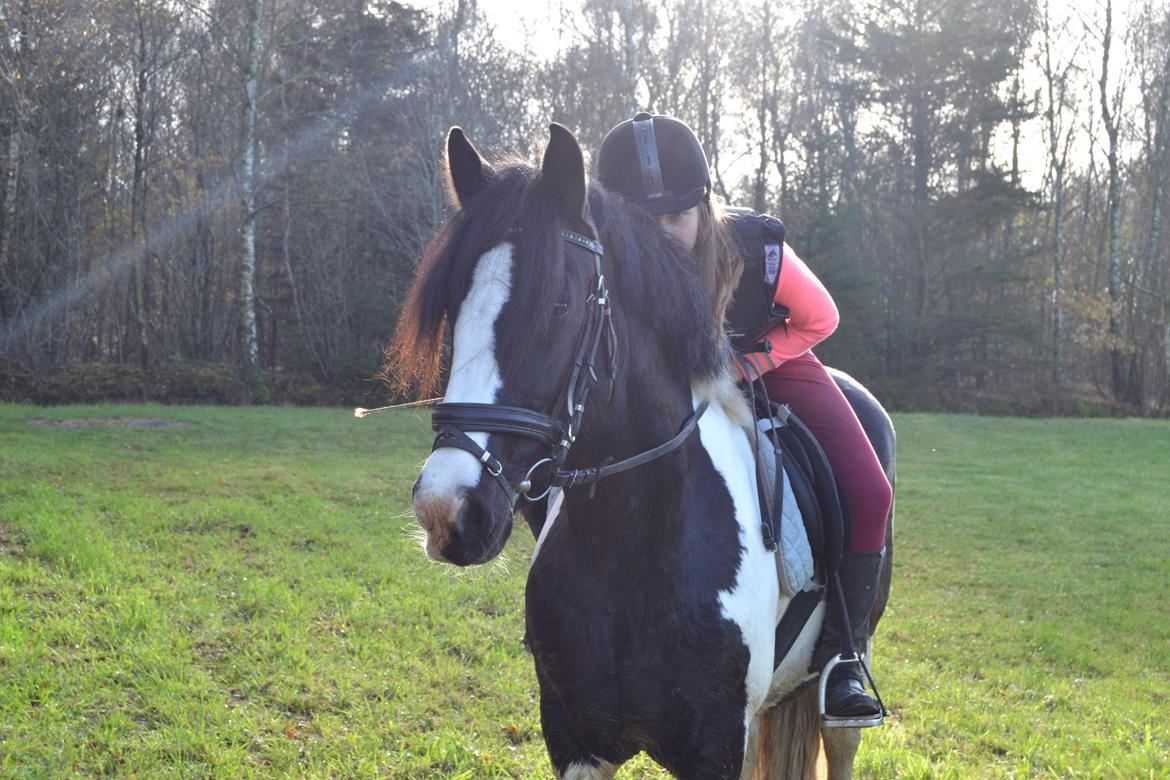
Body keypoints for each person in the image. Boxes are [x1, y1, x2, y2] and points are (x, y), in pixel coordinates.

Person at [597, 112, 894, 722]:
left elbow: (820, 318)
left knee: (871, 491)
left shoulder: (754, 246)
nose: (663, 236)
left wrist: (744, 365)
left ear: (704, 205)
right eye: (643, 224)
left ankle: (844, 658)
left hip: (769, 361)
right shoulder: (608, 257)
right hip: (663, 385)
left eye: (676, 218)